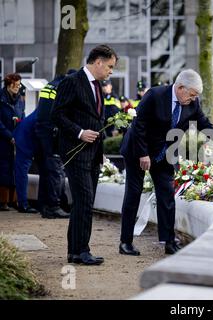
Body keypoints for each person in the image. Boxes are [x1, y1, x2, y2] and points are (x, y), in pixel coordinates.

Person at [119, 69, 213, 256]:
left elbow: (205, 125)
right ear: (180, 88)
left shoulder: (192, 104)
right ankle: (126, 242)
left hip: (164, 154)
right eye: (192, 94)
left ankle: (169, 241)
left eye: (196, 96)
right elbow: (138, 125)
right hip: (137, 150)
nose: (194, 99)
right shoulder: (155, 95)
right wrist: (143, 154)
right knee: (133, 193)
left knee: (166, 194)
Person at [52, 44, 118, 265]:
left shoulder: (97, 85)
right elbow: (57, 115)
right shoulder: (71, 82)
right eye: (109, 66)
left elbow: (94, 117)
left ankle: (75, 251)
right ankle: (82, 251)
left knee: (83, 201)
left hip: (93, 153)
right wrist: (79, 132)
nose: (111, 71)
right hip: (75, 151)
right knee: (85, 200)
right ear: (98, 61)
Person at [35, 70, 75, 219]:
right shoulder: (62, 87)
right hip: (52, 132)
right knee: (56, 170)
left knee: (46, 170)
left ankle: (44, 206)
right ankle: (54, 206)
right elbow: (60, 113)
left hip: (42, 131)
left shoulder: (50, 85)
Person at [0, 73, 25, 211]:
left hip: (17, 138)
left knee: (15, 168)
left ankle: (14, 200)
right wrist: (9, 135)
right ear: (9, 86)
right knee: (3, 168)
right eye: (16, 85)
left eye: (19, 85)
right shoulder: (1, 99)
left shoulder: (20, 99)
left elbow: (23, 115)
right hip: (3, 139)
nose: (18, 87)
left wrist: (20, 133)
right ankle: (3, 201)